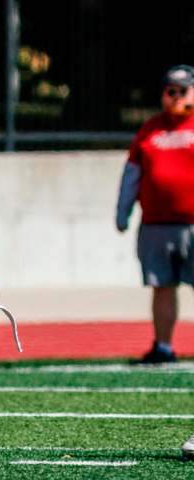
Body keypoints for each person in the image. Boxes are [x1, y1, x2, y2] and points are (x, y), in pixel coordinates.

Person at [116, 65, 194, 365]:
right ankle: (163, 347)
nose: (176, 97)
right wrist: (122, 212)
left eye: (183, 90)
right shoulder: (149, 129)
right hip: (157, 225)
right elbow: (132, 174)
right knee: (162, 287)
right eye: (170, 90)